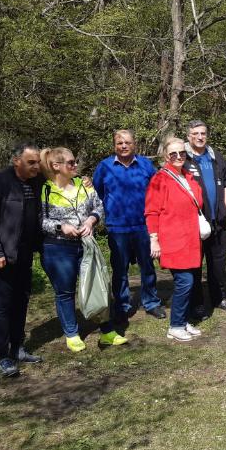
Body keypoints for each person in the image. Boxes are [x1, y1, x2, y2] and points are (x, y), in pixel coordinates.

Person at [39, 147, 127, 352]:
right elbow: (40, 221)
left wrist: (91, 220)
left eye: (75, 161)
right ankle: (72, 333)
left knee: (98, 286)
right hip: (58, 248)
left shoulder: (84, 184)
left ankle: (107, 331)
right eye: (71, 162)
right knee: (65, 292)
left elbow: (99, 207)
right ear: (56, 166)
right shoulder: (45, 190)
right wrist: (62, 227)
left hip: (87, 245)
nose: (76, 165)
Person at [0, 143, 44, 377]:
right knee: (2, 306)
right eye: (31, 162)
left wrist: (81, 180)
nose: (36, 166)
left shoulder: (35, 182)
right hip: (1, 257)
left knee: (21, 301)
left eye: (37, 162)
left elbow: (61, 174)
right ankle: (3, 356)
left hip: (23, 254)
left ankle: (18, 347)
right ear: (17, 161)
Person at [92, 130, 164, 321]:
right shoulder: (104, 167)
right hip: (117, 227)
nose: (123, 146)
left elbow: (157, 191)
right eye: (119, 143)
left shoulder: (146, 165)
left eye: (127, 143)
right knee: (120, 268)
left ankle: (151, 302)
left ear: (135, 144)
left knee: (147, 266)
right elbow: (97, 192)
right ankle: (122, 304)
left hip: (144, 225)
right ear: (114, 145)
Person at [145, 137, 205, 342]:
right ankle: (176, 325)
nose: (179, 157)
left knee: (190, 281)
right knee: (184, 282)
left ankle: (184, 320)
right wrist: (154, 239)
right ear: (165, 156)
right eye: (174, 154)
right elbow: (151, 212)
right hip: (172, 239)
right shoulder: (159, 179)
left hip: (191, 239)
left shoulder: (187, 176)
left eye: (182, 153)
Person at [183, 120, 226, 318]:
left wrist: (224, 207)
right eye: (196, 133)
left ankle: (218, 297)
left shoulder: (215, 157)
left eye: (203, 133)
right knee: (195, 263)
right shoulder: (183, 159)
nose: (199, 137)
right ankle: (197, 302)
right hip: (195, 222)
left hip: (218, 220)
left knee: (218, 262)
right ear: (189, 136)